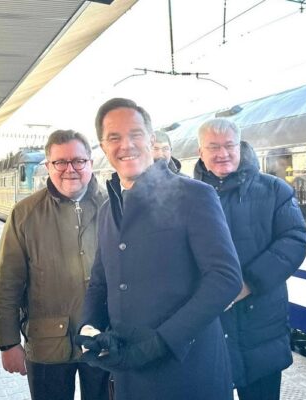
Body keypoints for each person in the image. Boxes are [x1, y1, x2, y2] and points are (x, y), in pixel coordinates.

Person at [76, 98, 243, 400]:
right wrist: (89, 328)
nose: (126, 145)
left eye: (135, 134)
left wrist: (162, 341)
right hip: (131, 377)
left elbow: (225, 279)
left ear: (151, 140)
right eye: (114, 137)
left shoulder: (194, 196)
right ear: (103, 147)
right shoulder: (107, 211)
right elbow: (101, 282)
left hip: (189, 374)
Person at [194, 118, 306, 400]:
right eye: (213, 147)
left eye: (229, 145)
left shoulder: (275, 190)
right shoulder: (186, 196)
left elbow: (294, 241)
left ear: (240, 146)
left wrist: (247, 283)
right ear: (200, 152)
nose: (223, 153)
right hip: (207, 327)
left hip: (261, 328)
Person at [0, 130, 109, 400]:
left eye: (78, 161)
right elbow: (7, 283)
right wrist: (8, 343)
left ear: (91, 163)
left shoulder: (113, 207)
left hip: (104, 340)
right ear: (48, 166)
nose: (70, 169)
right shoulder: (25, 214)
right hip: (47, 345)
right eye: (60, 162)